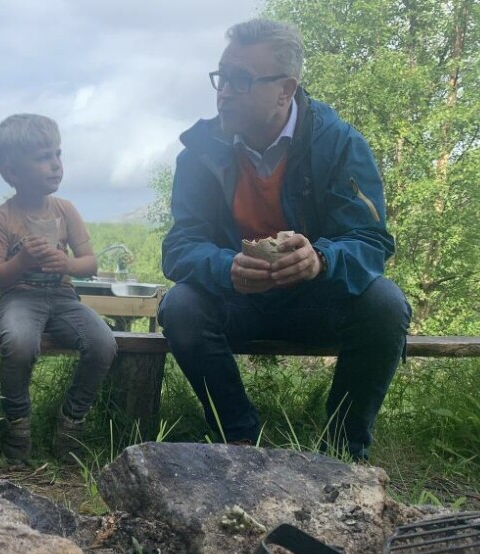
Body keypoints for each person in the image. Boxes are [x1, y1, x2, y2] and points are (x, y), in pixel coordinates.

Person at [159, 18, 411, 462]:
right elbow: (180, 246)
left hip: (316, 301)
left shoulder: (338, 144)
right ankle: (236, 438)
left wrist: (322, 260)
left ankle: (341, 453)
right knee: (179, 305)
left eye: (241, 80)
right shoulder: (200, 153)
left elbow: (371, 241)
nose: (225, 91)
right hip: (237, 300)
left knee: (387, 305)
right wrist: (226, 268)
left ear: (285, 89)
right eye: (222, 77)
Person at [0, 114, 116, 461]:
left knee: (103, 342)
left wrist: (68, 264)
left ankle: (72, 421)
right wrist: (21, 262)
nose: (56, 165)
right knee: (21, 344)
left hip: (62, 297)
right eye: (43, 158)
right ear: (12, 172)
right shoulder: (2, 217)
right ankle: (16, 423)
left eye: (58, 155)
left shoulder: (65, 210)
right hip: (19, 298)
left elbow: (90, 263)